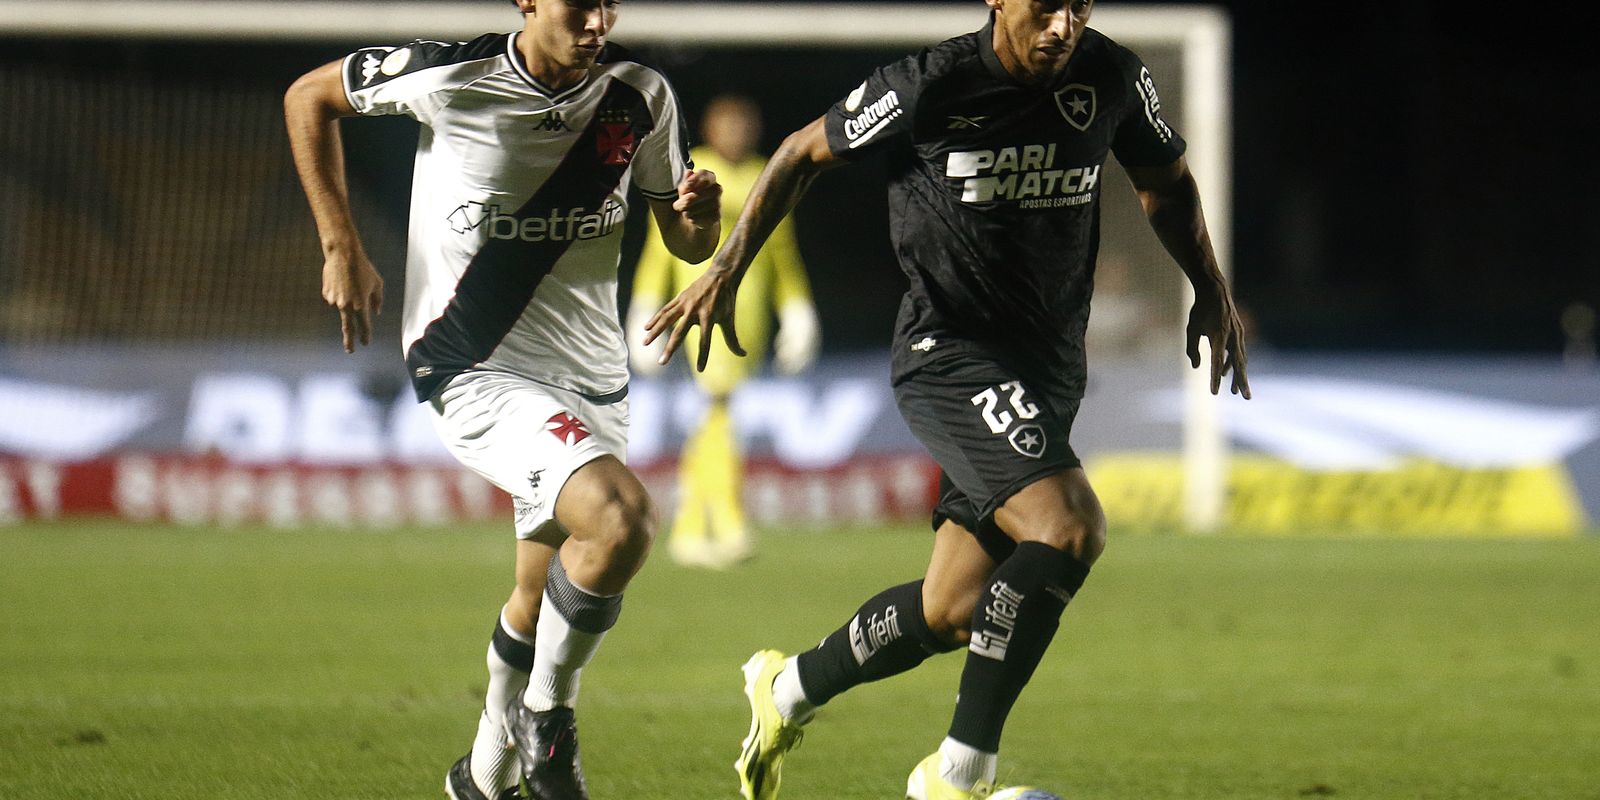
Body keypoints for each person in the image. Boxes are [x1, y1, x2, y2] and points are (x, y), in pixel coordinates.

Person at [644, 1, 1250, 798]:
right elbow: (798, 153)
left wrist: (1209, 288)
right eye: (1046, 5)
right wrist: (726, 265)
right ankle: (958, 776)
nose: (1063, 24)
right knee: (1067, 528)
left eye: (1080, 5)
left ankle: (786, 688)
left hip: (1048, 371)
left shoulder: (1111, 77)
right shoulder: (930, 83)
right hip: (950, 355)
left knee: (954, 610)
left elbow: (1164, 183)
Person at [283, 0, 721, 798]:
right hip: (474, 363)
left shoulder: (641, 96)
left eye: (607, 5)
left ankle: (482, 778)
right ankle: (549, 720)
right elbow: (306, 96)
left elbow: (681, 239)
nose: (597, 21)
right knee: (620, 520)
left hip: (594, 377)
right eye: (578, 4)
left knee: (540, 589)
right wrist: (340, 241)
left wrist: (701, 221)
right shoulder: (453, 77)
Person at [628, 94, 820, 569]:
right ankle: (725, 525)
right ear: (710, 129)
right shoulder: (695, 173)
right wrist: (644, 305)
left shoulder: (764, 175)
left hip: (747, 319)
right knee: (717, 414)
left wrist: (797, 309)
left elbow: (782, 253)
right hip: (699, 309)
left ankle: (691, 525)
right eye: (727, 125)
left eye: (744, 125)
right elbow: (659, 247)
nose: (736, 134)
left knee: (716, 420)